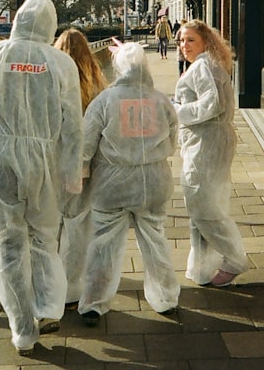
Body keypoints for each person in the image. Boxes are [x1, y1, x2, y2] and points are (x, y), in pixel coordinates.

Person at [0, 0, 84, 356]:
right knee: (43, 236)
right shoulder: (61, 62)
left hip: (0, 157)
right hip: (45, 160)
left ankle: (22, 329)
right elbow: (73, 126)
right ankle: (49, 306)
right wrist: (71, 172)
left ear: (18, 19)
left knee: (7, 245)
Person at [77, 41, 180, 327]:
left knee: (104, 243)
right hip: (154, 180)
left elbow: (86, 145)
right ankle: (166, 297)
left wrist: (82, 174)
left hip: (112, 181)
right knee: (155, 238)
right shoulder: (161, 100)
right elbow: (172, 142)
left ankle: (94, 304)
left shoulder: (105, 101)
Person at [174, 20, 249, 287]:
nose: (184, 46)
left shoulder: (204, 66)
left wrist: (176, 112)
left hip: (207, 141)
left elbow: (212, 104)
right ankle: (203, 268)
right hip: (207, 139)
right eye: (181, 41)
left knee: (202, 203)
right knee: (204, 203)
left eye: (190, 40)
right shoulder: (207, 64)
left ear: (205, 41)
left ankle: (234, 258)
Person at [53, 28, 108, 309]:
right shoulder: (96, 82)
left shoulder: (52, 77)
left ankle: (49, 284)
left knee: (52, 224)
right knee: (78, 224)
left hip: (52, 161)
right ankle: (71, 287)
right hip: (84, 165)